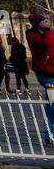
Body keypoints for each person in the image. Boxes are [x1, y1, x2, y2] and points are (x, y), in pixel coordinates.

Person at [26, 12, 54, 144]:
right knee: (52, 105)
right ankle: (50, 136)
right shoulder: (32, 35)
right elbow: (48, 43)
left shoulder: (48, 33)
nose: (47, 22)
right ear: (38, 23)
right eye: (44, 21)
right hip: (46, 74)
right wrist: (47, 30)